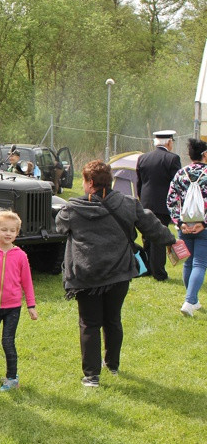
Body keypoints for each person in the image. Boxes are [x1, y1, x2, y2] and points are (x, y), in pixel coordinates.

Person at [56, 160, 174, 387]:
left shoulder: (72, 209)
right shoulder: (128, 203)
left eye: (83, 180)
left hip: (86, 275)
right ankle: (111, 365)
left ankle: (92, 376)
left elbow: (60, 226)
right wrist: (172, 241)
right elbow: (152, 226)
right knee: (112, 320)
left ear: (90, 183)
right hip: (119, 273)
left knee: (89, 323)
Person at [0, 210, 38, 392]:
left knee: (8, 342)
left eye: (12, 231)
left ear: (17, 233)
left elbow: (27, 282)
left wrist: (31, 305)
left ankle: (12, 378)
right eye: (4, 229)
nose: (8, 234)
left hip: (13, 307)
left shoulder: (21, 256)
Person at [166, 138, 207, 316]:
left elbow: (171, 200)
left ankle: (194, 300)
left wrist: (180, 223)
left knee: (188, 263)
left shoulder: (180, 174)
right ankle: (189, 302)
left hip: (184, 227)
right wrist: (203, 223)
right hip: (203, 228)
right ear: (204, 154)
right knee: (200, 263)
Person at [137, 130, 181, 281]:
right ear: (169, 142)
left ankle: (147, 268)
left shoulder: (143, 158)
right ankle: (159, 273)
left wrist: (141, 198)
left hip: (146, 202)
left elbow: (139, 182)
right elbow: (177, 183)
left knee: (147, 237)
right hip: (162, 203)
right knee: (159, 237)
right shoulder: (172, 159)